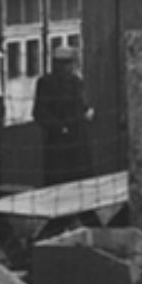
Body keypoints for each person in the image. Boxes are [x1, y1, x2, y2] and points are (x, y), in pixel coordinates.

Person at [33, 44, 94, 185]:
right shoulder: (46, 83)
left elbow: (81, 104)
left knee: (82, 180)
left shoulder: (76, 81)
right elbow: (39, 112)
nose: (70, 67)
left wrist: (87, 111)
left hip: (79, 139)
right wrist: (60, 128)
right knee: (59, 180)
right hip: (58, 142)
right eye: (67, 64)